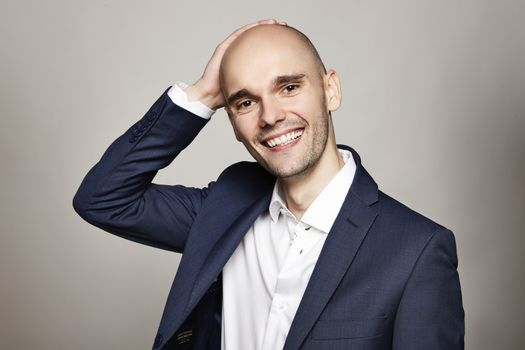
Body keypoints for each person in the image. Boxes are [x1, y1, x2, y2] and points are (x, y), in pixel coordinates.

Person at [73, 19, 464, 350]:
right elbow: (103, 199)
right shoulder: (225, 207)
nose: (271, 116)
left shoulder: (417, 251)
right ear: (232, 123)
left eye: (289, 87)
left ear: (331, 90)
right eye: (245, 103)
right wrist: (202, 95)